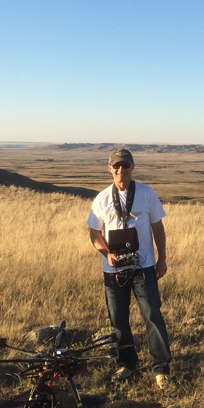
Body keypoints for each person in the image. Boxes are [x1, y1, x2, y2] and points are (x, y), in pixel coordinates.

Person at [86, 148, 171, 390]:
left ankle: (161, 370)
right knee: (117, 320)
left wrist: (162, 258)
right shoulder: (102, 198)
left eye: (125, 166)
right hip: (113, 271)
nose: (120, 170)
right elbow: (94, 233)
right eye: (116, 166)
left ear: (133, 167)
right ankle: (127, 364)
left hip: (143, 267)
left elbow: (157, 227)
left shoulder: (146, 193)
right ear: (109, 168)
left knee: (153, 316)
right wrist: (108, 254)